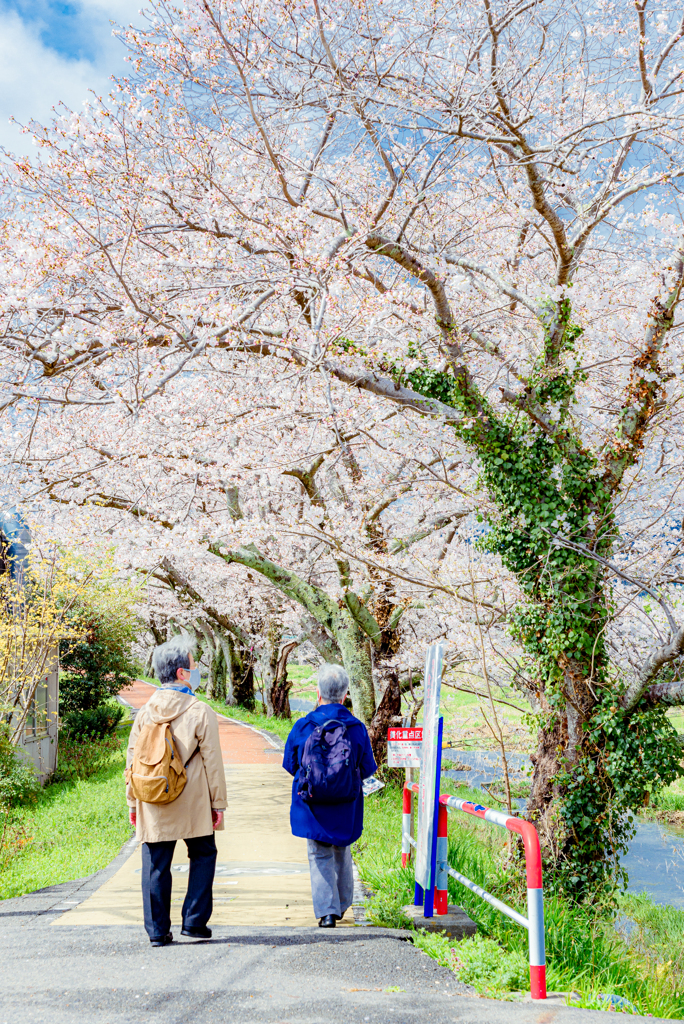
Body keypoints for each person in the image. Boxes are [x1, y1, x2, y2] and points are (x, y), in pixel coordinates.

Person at [126, 635, 227, 946]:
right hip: (193, 797)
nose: (197, 671)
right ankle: (194, 923)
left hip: (153, 797)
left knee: (156, 863)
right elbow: (213, 762)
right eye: (194, 666)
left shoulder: (144, 712)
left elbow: (132, 759)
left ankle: (157, 931)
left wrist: (132, 801)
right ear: (183, 674)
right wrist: (218, 804)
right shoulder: (199, 711)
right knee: (203, 854)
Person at [283, 664, 377, 928]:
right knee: (342, 849)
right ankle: (343, 903)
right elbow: (367, 768)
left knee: (318, 852)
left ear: (318, 692)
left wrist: (317, 780)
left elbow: (291, 765)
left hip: (312, 804)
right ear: (345, 695)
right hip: (346, 804)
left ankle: (327, 912)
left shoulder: (304, 725)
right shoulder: (356, 728)